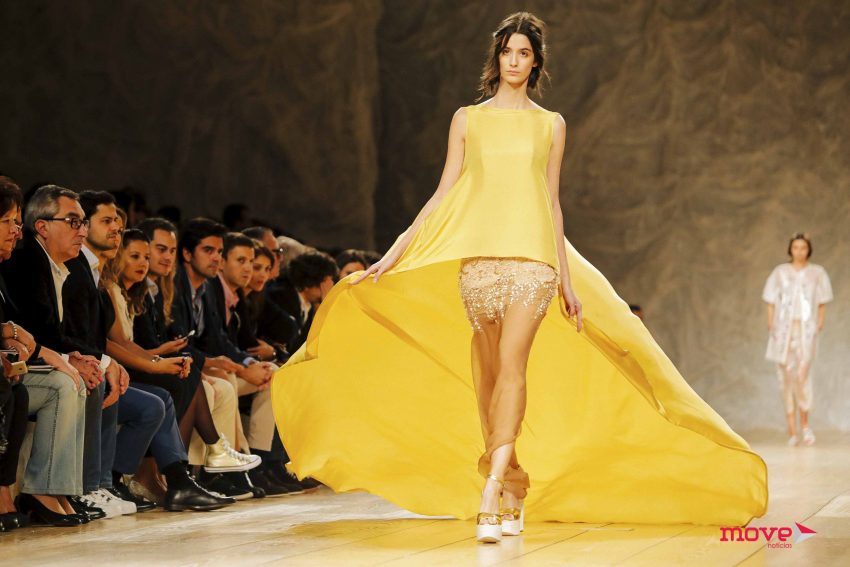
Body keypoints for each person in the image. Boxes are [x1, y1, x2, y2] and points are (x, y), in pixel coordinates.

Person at [271, 10, 767, 542]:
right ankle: (513, 483)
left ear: (536, 63)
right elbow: (442, 194)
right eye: (507, 51)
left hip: (532, 261)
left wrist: (567, 280)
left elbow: (552, 203)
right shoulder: (468, 119)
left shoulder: (551, 124)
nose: (514, 60)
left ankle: (489, 490)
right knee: (486, 376)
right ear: (498, 57)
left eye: (524, 53)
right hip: (479, 262)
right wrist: (394, 253)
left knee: (511, 366)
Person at [762, 233, 832, 447]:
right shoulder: (780, 272)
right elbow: (770, 298)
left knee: (802, 375)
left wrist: (819, 323)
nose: (799, 251)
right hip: (783, 331)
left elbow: (822, 300)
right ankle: (792, 430)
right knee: (785, 376)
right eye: (795, 247)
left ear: (808, 249)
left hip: (806, 331)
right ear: (790, 249)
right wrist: (771, 323)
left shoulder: (817, 273)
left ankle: (805, 426)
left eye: (803, 247)